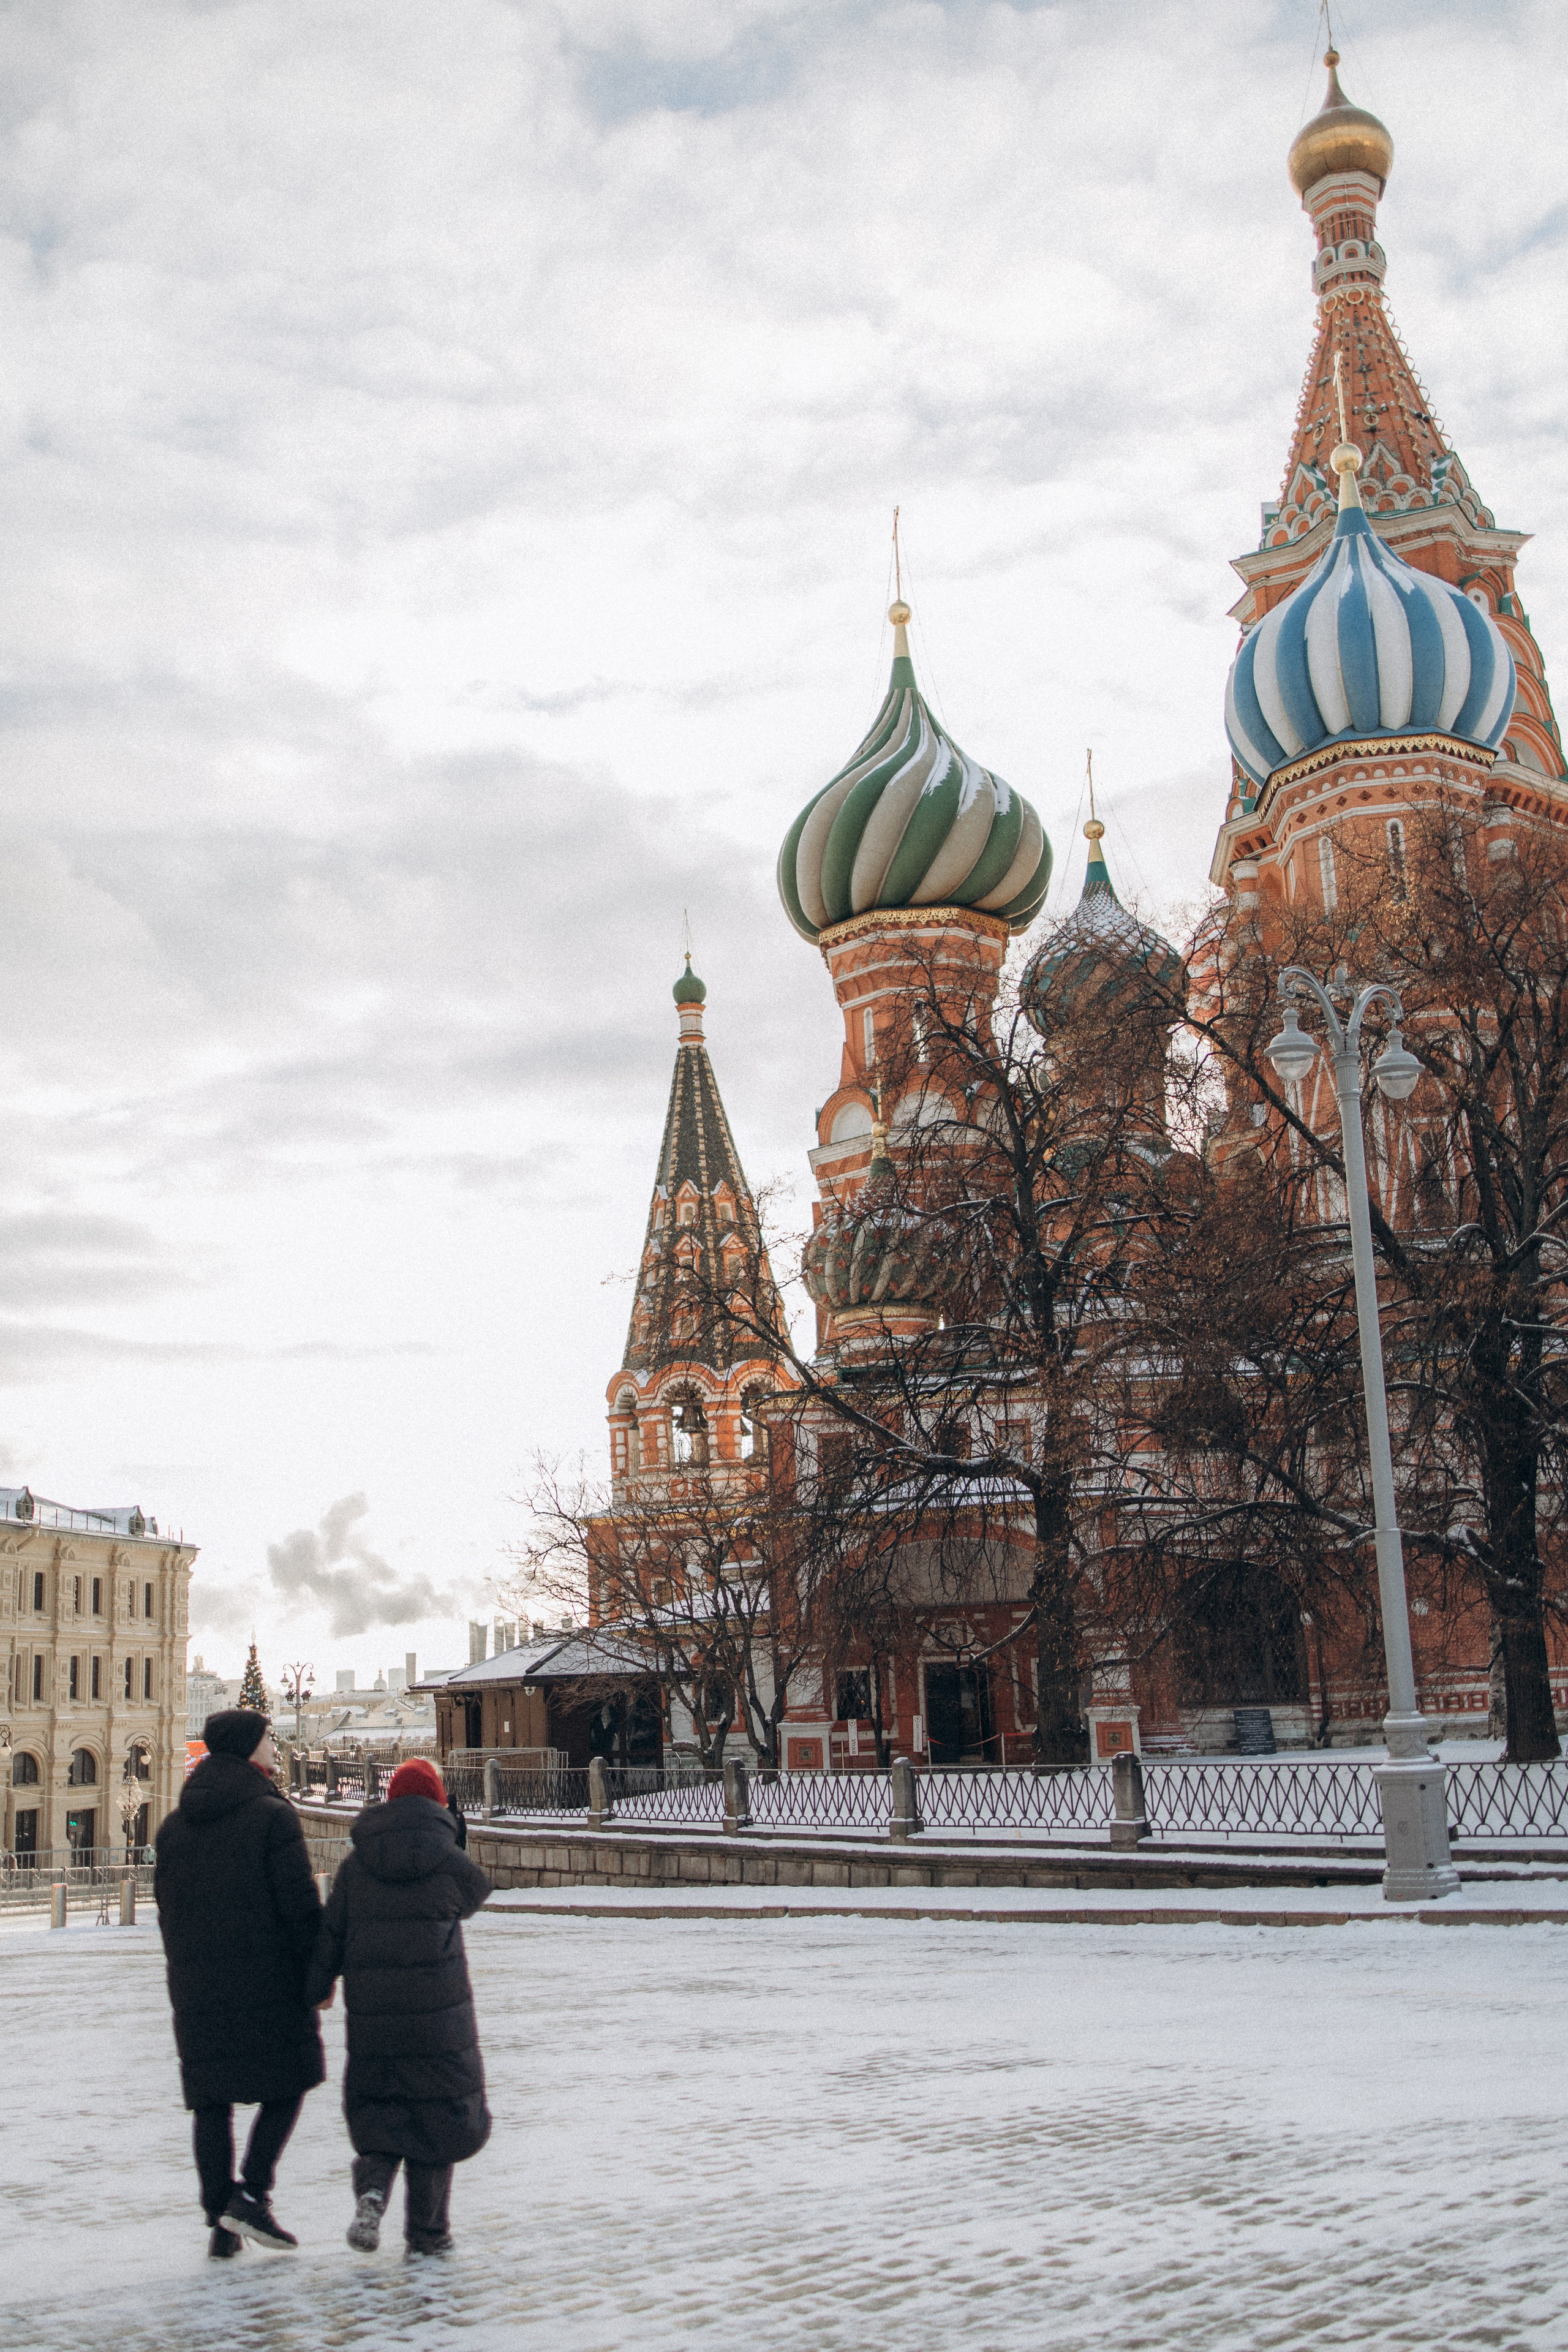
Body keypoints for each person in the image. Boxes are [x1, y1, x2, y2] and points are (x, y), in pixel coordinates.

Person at [154, 1709, 326, 2258]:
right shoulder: (273, 1817)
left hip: (197, 1987)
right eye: (269, 1738)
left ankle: (221, 2221)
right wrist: (318, 1975)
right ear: (251, 1748)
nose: (276, 1747)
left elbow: (166, 1909)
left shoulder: (174, 1827)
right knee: (293, 2079)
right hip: (269, 1983)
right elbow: (300, 1910)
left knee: (212, 2101)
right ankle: (250, 2193)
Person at [307, 1755, 491, 2256]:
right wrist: (454, 1834)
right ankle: (429, 2236)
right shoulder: (446, 1859)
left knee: (384, 2111)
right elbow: (476, 1893)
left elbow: (332, 1933)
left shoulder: (359, 1863)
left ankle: (372, 2191)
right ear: (436, 1800)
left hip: (375, 2018)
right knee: (435, 2121)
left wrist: (319, 1986)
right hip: (438, 2017)